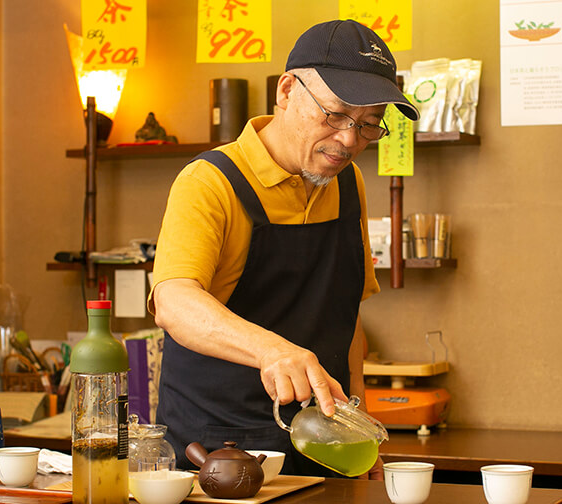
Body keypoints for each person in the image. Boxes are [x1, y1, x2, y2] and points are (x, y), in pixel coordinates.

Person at [149, 19, 419, 479]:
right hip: (221, 456)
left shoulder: (347, 184)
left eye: (369, 125)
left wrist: (362, 425)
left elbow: (346, 319)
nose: (350, 140)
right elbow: (174, 302)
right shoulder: (210, 182)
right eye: (334, 115)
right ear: (287, 90)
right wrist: (272, 350)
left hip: (325, 448)